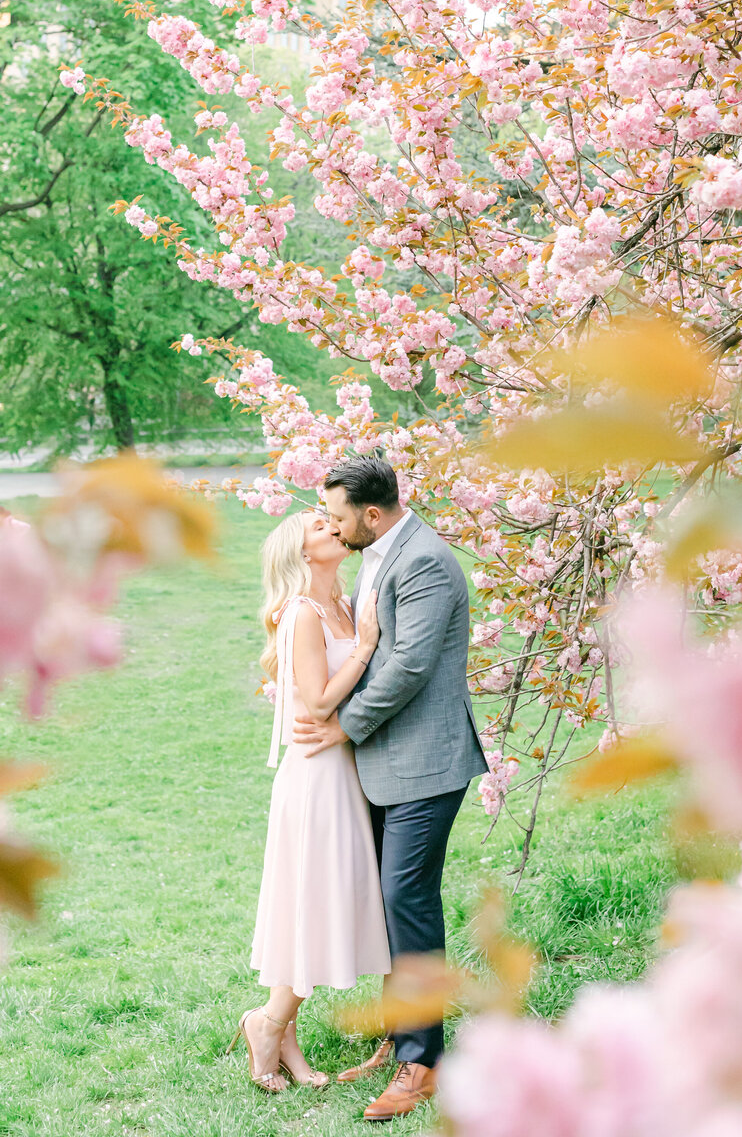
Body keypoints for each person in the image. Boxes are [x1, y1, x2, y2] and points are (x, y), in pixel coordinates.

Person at [294, 455, 488, 1123]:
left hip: (426, 763)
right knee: (387, 903)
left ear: (370, 514)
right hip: (385, 763)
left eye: (338, 515)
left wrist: (345, 726)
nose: (332, 525)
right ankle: (400, 1030)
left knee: (408, 899)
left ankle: (422, 1062)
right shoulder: (379, 549)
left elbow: (408, 664)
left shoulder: (425, 562)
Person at [234, 507, 392, 1093]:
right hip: (315, 775)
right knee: (315, 902)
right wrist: (367, 645)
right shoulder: (301, 613)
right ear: (303, 554)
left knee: (322, 901)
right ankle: (268, 1022)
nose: (334, 527)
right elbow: (319, 701)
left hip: (343, 767)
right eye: (319, 528)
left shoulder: (344, 604)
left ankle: (279, 1033)